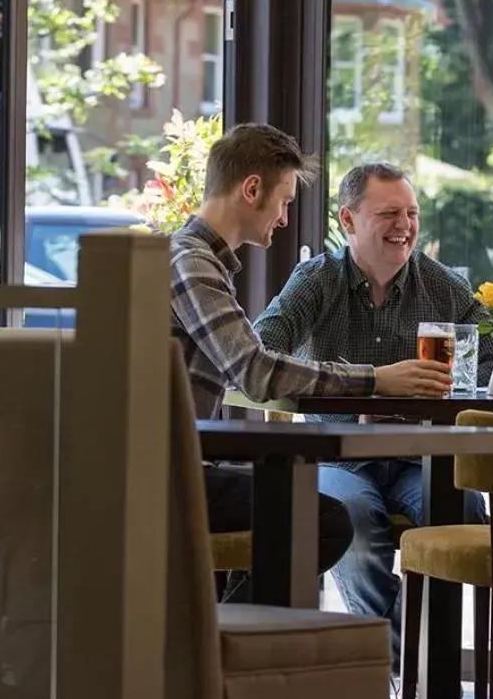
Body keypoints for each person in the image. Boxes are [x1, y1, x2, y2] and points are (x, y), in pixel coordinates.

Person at [255, 161, 493, 661]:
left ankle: (437, 667)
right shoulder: (317, 280)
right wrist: (363, 385)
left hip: (418, 455)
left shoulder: (442, 287)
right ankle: (388, 661)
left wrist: (455, 386)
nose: (405, 225)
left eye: (412, 213)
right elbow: (263, 351)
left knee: (462, 509)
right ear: (349, 221)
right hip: (338, 457)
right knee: (349, 515)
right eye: (389, 213)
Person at [169, 126, 434, 592]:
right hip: (162, 476)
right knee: (324, 521)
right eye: (285, 200)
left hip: (177, 466)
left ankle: (218, 644)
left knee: (304, 512)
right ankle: (220, 646)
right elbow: (255, 371)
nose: (286, 218)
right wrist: (376, 380)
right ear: (252, 189)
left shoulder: (198, 261)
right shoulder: (191, 263)